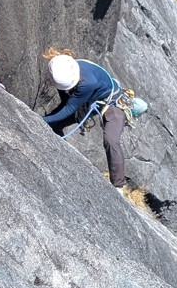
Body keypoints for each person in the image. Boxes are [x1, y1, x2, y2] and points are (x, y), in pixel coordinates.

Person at [42, 51, 131, 191]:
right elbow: (67, 102)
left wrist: (41, 120)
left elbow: (68, 109)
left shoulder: (87, 83)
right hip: (89, 101)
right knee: (55, 123)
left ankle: (119, 185)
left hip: (113, 103)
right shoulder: (64, 70)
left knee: (111, 139)